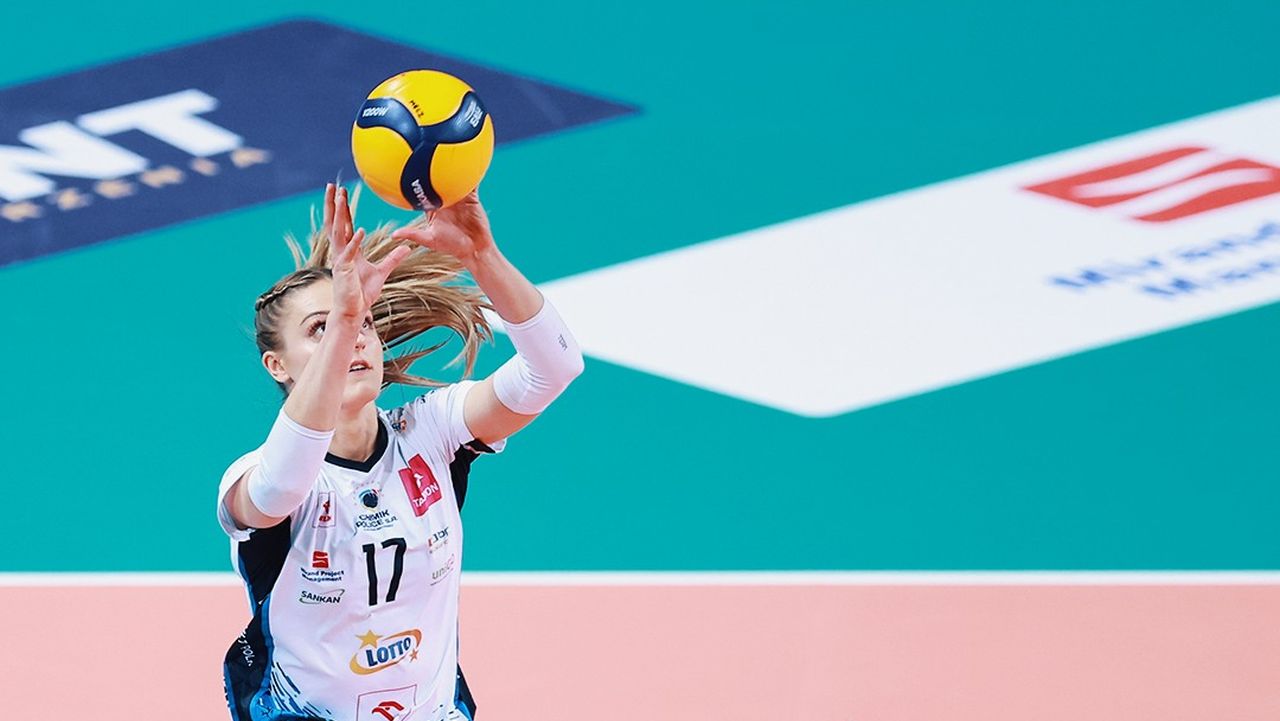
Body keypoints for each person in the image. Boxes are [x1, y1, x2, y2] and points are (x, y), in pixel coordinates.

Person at [216, 184, 583, 721]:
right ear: (278, 366)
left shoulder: (429, 433)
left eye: (364, 322)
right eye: (320, 329)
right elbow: (280, 487)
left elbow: (555, 369)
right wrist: (345, 320)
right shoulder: (254, 474)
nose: (355, 336)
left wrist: (482, 256)